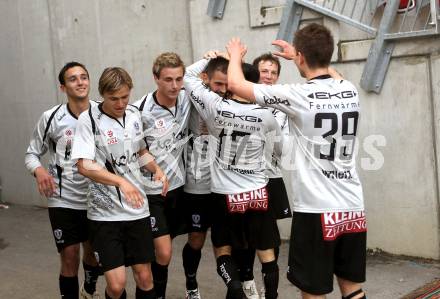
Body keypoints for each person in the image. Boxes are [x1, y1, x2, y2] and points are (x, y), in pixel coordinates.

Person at [226, 23, 367, 299]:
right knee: (352, 287)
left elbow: (235, 85)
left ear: (300, 56)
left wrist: (234, 55)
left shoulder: (297, 94)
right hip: (352, 206)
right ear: (329, 54)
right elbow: (333, 74)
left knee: (313, 290)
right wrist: (303, 55)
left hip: (317, 209)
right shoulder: (349, 89)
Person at [184, 53, 282, 299]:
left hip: (225, 195)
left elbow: (189, 77)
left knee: (223, 252)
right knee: (266, 253)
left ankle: (236, 290)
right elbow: (279, 151)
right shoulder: (267, 115)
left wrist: (217, 56)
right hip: (258, 192)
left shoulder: (216, 108)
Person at [71, 67, 168, 299]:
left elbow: (141, 151)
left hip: (137, 211)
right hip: (105, 216)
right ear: (103, 94)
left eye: (125, 97)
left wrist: (156, 169)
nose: (120, 103)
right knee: (116, 286)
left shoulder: (135, 114)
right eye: (114, 98)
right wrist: (120, 182)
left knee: (145, 277)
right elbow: (84, 165)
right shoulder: (89, 119)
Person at [25, 62, 101, 299]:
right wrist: (39, 171)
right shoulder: (51, 118)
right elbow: (31, 153)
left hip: (97, 199)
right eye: (73, 79)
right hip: (63, 198)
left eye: (84, 77)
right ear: (63, 86)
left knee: (93, 254)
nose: (80, 82)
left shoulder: (103, 112)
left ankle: (89, 290)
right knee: (69, 257)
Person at [133, 52, 191, 299]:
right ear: (155, 78)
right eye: (168, 79)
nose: (175, 86)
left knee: (163, 255)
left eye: (179, 79)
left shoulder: (187, 99)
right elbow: (136, 151)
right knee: (163, 252)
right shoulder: (139, 110)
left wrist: (216, 55)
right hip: (151, 192)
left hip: (178, 188)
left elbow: (203, 75)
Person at [181, 56, 229, 299]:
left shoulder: (232, 99)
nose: (221, 89)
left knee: (225, 242)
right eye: (218, 83)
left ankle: (237, 287)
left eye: (225, 84)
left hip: (224, 184)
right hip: (197, 184)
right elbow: (186, 75)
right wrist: (206, 59)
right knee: (197, 239)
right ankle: (191, 284)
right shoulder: (196, 94)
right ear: (206, 79)